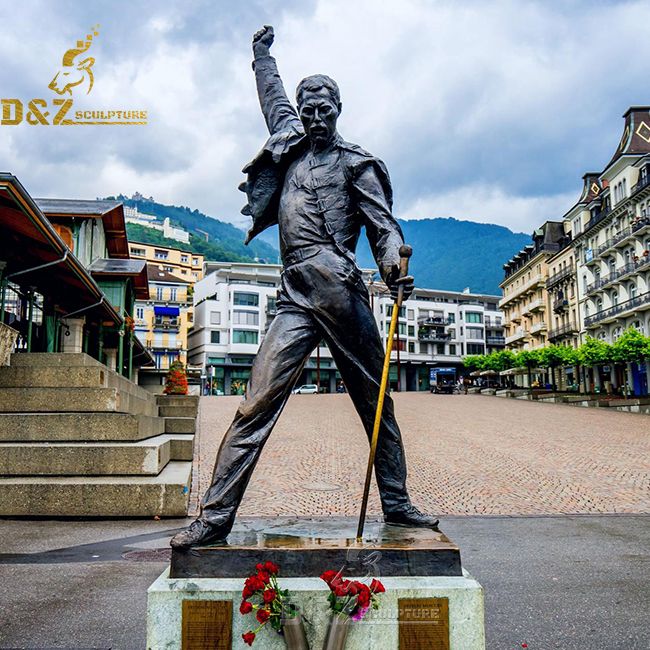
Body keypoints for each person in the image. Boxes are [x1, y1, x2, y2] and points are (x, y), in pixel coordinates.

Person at [171, 26, 438, 548]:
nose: (316, 119)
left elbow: (385, 229)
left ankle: (398, 501)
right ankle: (216, 516)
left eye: (325, 111)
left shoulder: (357, 163)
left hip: (341, 294)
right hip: (294, 295)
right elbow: (271, 96)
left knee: (376, 402)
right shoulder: (289, 145)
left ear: (338, 110)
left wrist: (392, 268)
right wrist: (260, 54)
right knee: (255, 402)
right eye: (308, 109)